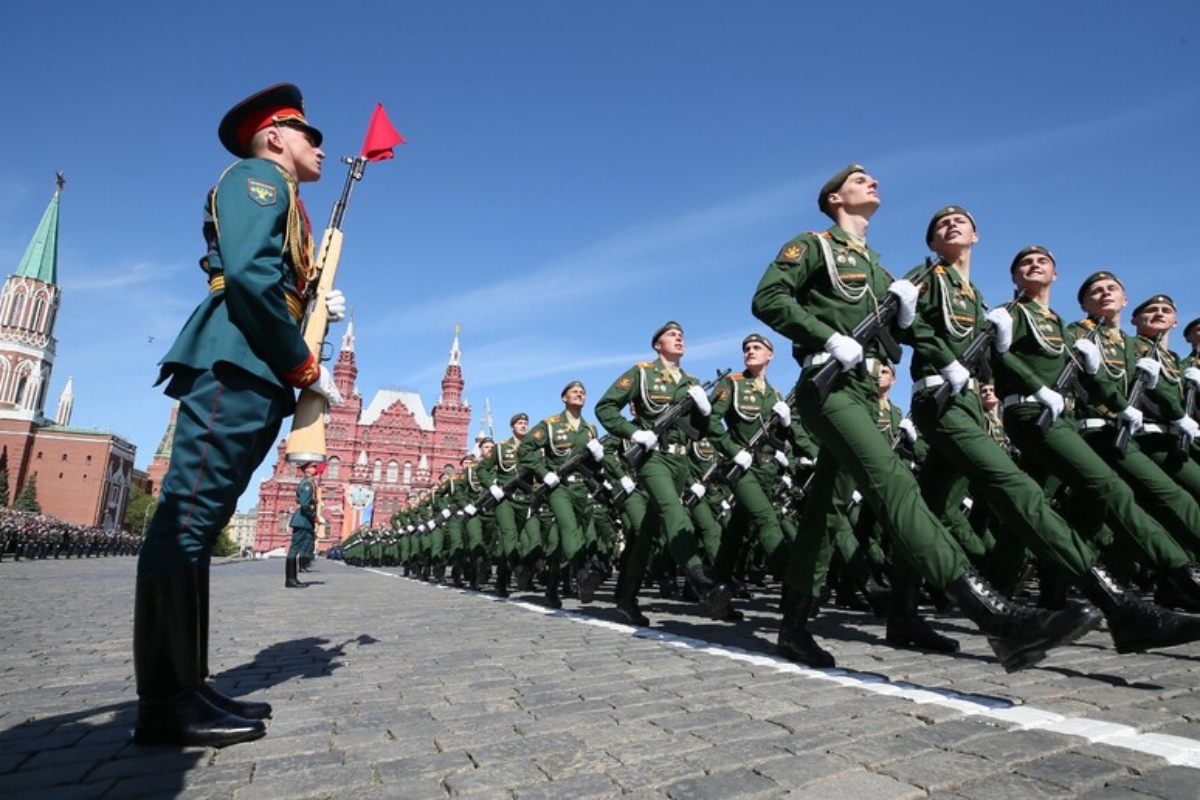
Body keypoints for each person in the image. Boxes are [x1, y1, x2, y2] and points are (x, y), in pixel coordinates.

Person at [750, 165, 1100, 671]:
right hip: (827, 385)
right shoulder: (813, 246)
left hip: (866, 392)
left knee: (824, 510)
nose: (872, 183)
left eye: (872, 179)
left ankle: (793, 624)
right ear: (834, 199)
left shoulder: (878, 269)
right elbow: (768, 298)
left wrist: (914, 321)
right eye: (859, 180)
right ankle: (995, 617)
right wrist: (826, 336)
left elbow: (912, 332)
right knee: (895, 485)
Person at [133, 84, 345, 748]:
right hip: (239, 359)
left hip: (254, 363)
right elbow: (252, 281)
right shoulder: (259, 179)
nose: (320, 145)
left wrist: (312, 302)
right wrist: (305, 365)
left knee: (199, 526)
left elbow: (269, 278)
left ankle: (187, 684)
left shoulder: (285, 196)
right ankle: (166, 701)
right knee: (186, 522)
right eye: (310, 133)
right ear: (275, 135)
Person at [595, 321, 735, 624]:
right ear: (657, 344)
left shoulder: (692, 382)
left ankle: (625, 597)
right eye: (671, 335)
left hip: (680, 461)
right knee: (675, 511)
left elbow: (702, 432)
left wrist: (705, 410)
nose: (679, 338)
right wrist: (633, 433)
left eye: (681, 335)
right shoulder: (642, 373)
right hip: (653, 458)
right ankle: (703, 583)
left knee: (648, 534)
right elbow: (605, 407)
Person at [518, 381, 607, 608]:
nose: (579, 394)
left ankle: (551, 589)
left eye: (582, 392)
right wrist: (542, 472)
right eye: (574, 392)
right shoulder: (550, 425)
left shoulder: (590, 429)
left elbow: (594, 467)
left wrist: (598, 459)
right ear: (564, 398)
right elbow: (525, 449)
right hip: (559, 487)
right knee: (569, 528)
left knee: (571, 539)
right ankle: (582, 575)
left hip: (582, 489)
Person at [286, 461, 321, 588]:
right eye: (312, 467)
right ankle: (290, 580)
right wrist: (314, 516)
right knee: (294, 550)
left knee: (295, 549)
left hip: (303, 520)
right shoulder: (307, 484)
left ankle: (293, 578)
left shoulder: (308, 483)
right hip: (303, 520)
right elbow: (305, 505)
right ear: (306, 469)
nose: (315, 469)